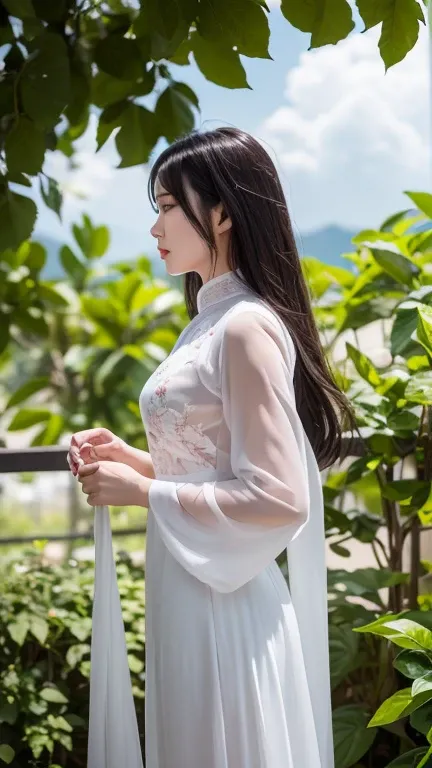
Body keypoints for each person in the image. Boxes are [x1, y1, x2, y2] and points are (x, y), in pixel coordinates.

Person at [68, 127, 352, 768]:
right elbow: (217, 466)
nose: (155, 227)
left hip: (225, 608)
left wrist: (144, 492)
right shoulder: (209, 322)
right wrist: (134, 460)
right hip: (188, 590)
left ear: (221, 212)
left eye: (168, 206)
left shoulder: (245, 326)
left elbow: (278, 497)